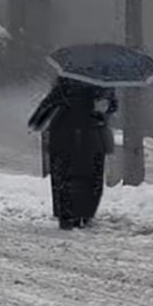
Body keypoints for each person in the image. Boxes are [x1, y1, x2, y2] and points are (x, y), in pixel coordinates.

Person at [29, 78, 118, 231]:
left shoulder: (65, 84)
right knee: (92, 177)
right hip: (93, 135)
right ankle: (85, 212)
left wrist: (37, 121)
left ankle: (66, 215)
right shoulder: (104, 85)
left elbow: (48, 105)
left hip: (65, 134)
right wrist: (101, 112)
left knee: (64, 176)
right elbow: (112, 107)